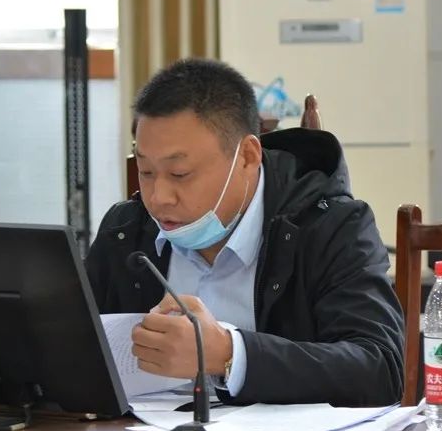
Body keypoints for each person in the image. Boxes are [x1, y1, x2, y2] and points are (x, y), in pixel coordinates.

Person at [85, 58, 404, 407]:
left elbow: (380, 369)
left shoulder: (329, 226)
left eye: (179, 174)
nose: (159, 197)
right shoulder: (125, 231)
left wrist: (230, 354)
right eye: (146, 171)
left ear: (248, 157)